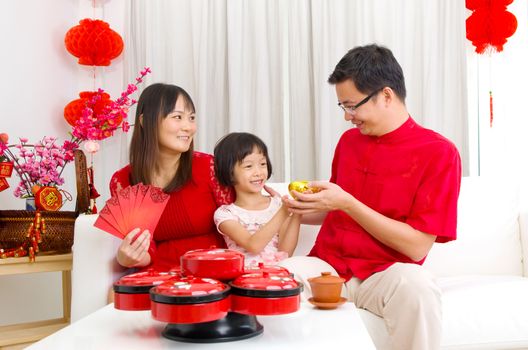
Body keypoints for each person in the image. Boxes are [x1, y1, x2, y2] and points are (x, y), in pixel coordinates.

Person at [280, 44, 462, 350]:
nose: (348, 117)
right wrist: (293, 206)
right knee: (277, 279)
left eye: (352, 106)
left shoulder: (439, 153)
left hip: (386, 274)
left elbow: (417, 246)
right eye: (343, 107)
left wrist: (347, 202)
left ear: (386, 95)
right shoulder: (349, 142)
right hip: (328, 267)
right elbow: (334, 208)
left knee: (418, 287)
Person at [109, 83, 234, 272]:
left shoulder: (208, 167)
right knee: (114, 296)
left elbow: (241, 221)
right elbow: (145, 247)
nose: (189, 127)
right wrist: (127, 257)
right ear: (145, 121)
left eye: (191, 118)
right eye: (178, 117)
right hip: (162, 275)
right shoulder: (123, 180)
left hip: (213, 270)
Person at [213, 132, 301, 266]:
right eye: (248, 166)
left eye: (262, 164)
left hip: (277, 277)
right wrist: (284, 211)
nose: (258, 172)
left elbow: (285, 252)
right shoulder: (225, 214)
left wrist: (297, 213)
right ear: (229, 173)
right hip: (245, 281)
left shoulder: (277, 204)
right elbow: (253, 245)